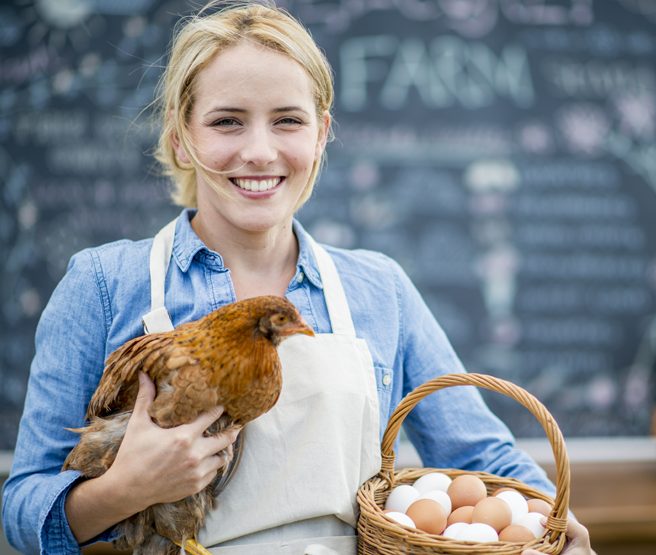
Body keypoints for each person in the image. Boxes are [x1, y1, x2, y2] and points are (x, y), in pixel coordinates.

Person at [1, 2, 594, 554]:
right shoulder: (103, 284)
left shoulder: (379, 289)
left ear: (321, 134)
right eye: (227, 121)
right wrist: (125, 490)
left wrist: (554, 522)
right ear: (181, 139)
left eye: (287, 120)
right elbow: (22, 511)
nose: (260, 151)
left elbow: (481, 457)